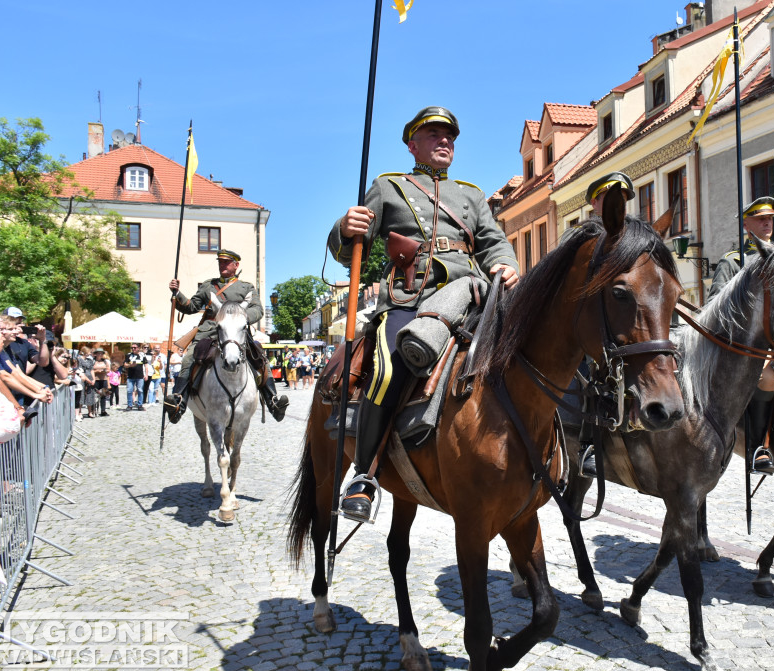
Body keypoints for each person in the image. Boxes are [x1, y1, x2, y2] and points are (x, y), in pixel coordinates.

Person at [329, 106, 519, 522]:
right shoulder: (389, 186)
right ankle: (364, 474)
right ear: (412, 144)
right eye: (433, 135)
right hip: (410, 299)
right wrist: (346, 228)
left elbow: (493, 242)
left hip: (471, 294)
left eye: (449, 135)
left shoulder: (470, 195)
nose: (444, 141)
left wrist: (507, 263)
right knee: (389, 366)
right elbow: (349, 253)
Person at [164, 249, 288, 423]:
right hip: (209, 332)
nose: (222, 265)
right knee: (189, 358)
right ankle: (179, 403)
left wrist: (241, 317)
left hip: (236, 334)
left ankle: (273, 402)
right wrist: (177, 294)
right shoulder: (208, 286)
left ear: (236, 265)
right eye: (220, 262)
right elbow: (191, 306)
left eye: (226, 262)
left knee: (260, 358)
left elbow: (257, 310)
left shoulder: (246, 287)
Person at [707, 196, 774, 475]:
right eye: (760, 218)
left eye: (770, 218)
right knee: (766, 378)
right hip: (745, 348)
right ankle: (758, 447)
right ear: (746, 225)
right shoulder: (734, 262)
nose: (766, 222)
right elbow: (715, 308)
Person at [575, 172, 637, 479]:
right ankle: (588, 444)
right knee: (595, 367)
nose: (619, 203)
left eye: (624, 197)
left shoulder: (637, 237)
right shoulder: (585, 235)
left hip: (627, 316)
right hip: (590, 318)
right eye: (612, 197)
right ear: (596, 202)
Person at [124, 344, 146, 411]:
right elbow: (125, 365)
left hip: (140, 376)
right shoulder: (129, 355)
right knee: (129, 391)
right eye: (132, 348)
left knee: (140, 390)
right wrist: (131, 365)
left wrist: (146, 374)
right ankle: (129, 405)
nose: (133, 349)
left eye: (135, 347)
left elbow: (146, 365)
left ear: (138, 348)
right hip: (130, 376)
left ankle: (140, 405)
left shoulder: (142, 355)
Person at [92, 348, 110, 416]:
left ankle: (103, 410)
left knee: (103, 395)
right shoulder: (93, 361)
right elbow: (91, 370)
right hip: (96, 379)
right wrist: (97, 371)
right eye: (98, 353)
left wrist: (104, 371)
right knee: (95, 395)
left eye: (101, 353)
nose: (100, 355)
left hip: (103, 379)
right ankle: (94, 410)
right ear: (96, 354)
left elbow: (108, 370)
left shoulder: (105, 361)